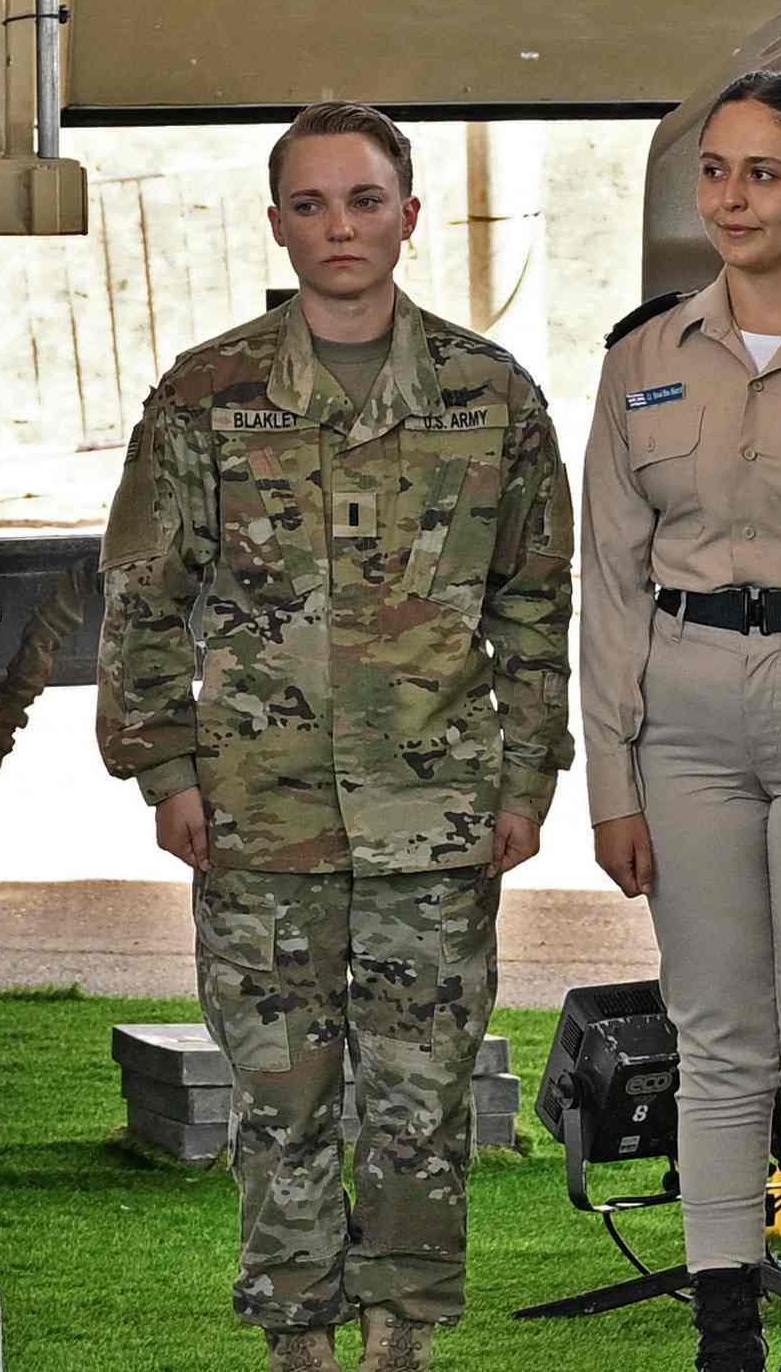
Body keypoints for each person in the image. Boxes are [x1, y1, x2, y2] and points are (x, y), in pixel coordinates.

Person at [102, 103, 571, 1372]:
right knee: (282, 1100)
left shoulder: (492, 396)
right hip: (260, 813)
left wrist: (529, 777)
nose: (339, 228)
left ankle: (399, 1343)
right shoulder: (208, 394)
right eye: (309, 206)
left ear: (409, 216)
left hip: (435, 816)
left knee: (419, 1108)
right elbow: (144, 591)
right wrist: (165, 767)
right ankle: (299, 1344)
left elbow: (533, 601)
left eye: (363, 201)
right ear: (277, 226)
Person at [579, 73, 781, 1372]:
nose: (733, 197)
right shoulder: (644, 354)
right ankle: (721, 1329)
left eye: (765, 172)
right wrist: (613, 779)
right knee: (714, 1034)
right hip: (689, 709)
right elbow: (608, 574)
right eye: (716, 169)